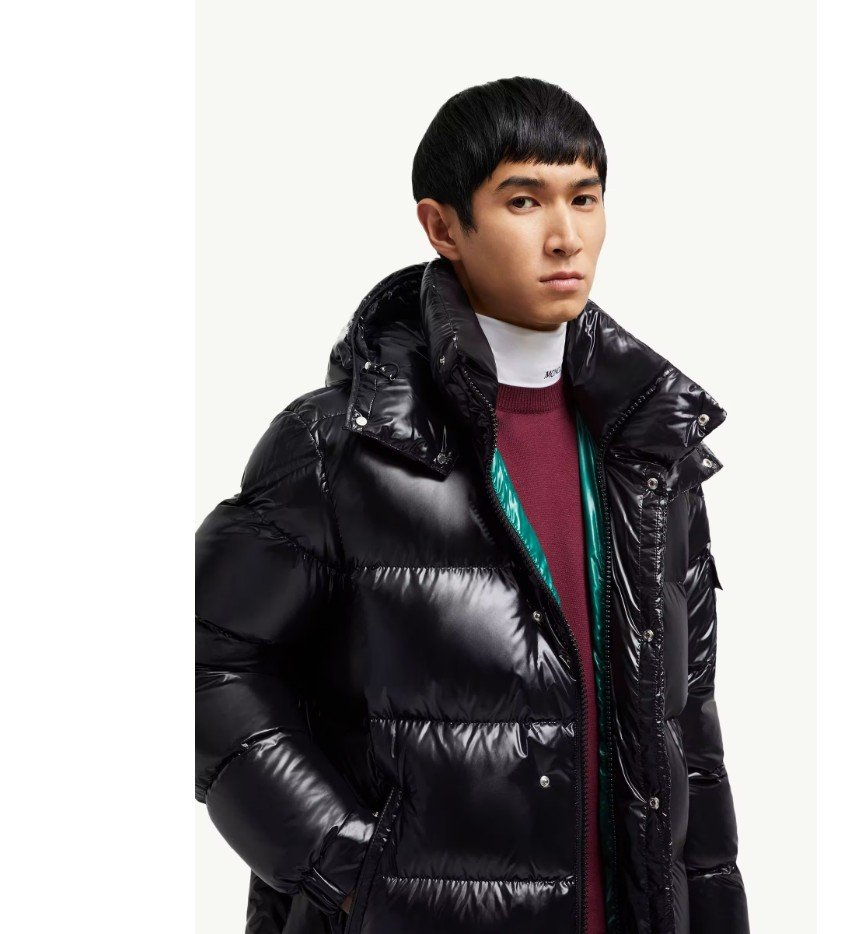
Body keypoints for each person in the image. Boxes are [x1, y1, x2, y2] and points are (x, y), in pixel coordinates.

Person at [196, 75, 750, 934]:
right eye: (524, 201)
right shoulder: (341, 446)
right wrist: (347, 865)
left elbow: (690, 728)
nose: (566, 235)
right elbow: (205, 662)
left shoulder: (651, 451)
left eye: (585, 198)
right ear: (443, 226)